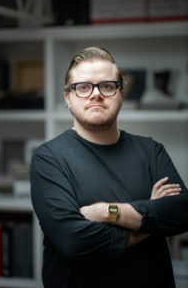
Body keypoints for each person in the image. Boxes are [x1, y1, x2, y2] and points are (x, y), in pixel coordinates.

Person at [30, 46, 188, 288]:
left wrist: (107, 211)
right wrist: (150, 223)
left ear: (121, 94)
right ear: (68, 98)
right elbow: (73, 240)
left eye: (107, 86)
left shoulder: (151, 151)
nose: (96, 94)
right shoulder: (49, 158)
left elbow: (182, 212)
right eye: (83, 87)